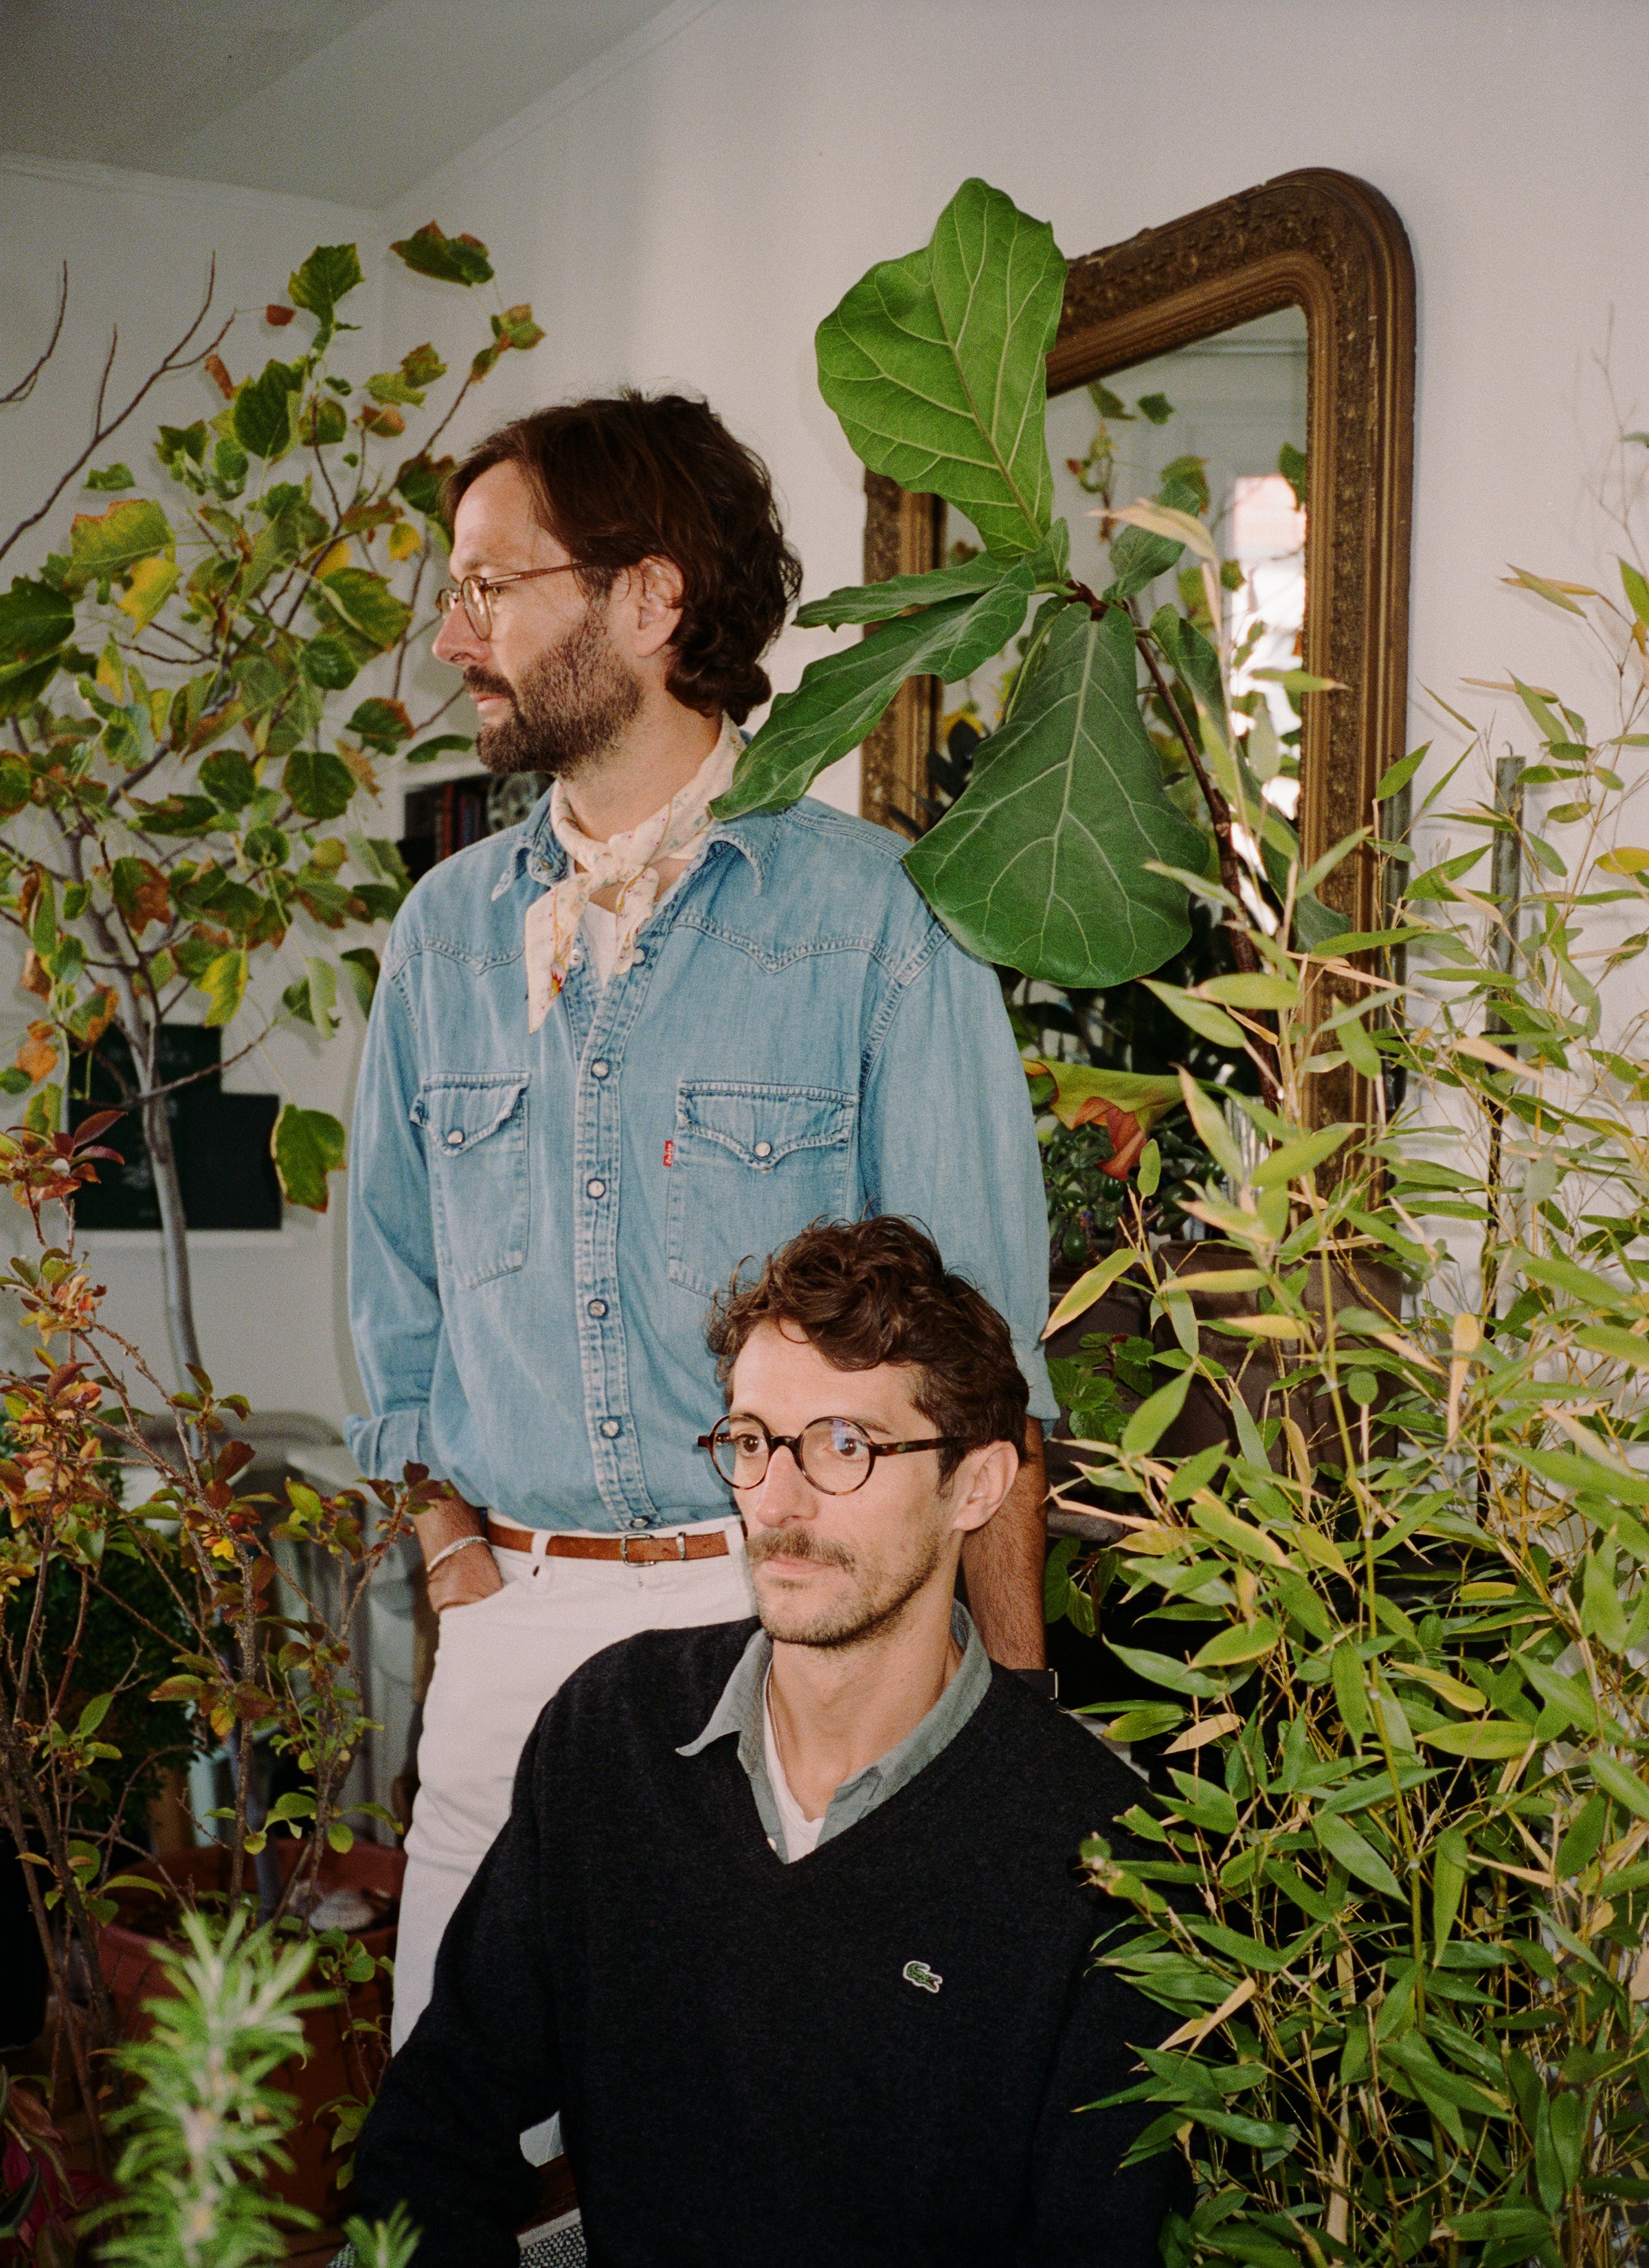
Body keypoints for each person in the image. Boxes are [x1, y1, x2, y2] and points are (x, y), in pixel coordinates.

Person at [346, 392, 1059, 2053]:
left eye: (491, 587)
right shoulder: (445, 939)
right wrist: (456, 1557)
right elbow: (397, 1299)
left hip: (792, 1634)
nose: (455, 636)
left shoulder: (878, 920)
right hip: (511, 1639)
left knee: (763, 2150)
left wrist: (1013, 1717)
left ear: (651, 602)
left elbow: (986, 1365)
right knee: (449, 2146)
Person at [353, 1220, 1178, 2268]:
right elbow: (435, 2123)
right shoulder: (615, 1733)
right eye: (752, 1441)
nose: (776, 1506)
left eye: (846, 1445)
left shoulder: (1093, 1849)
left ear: (975, 1486)